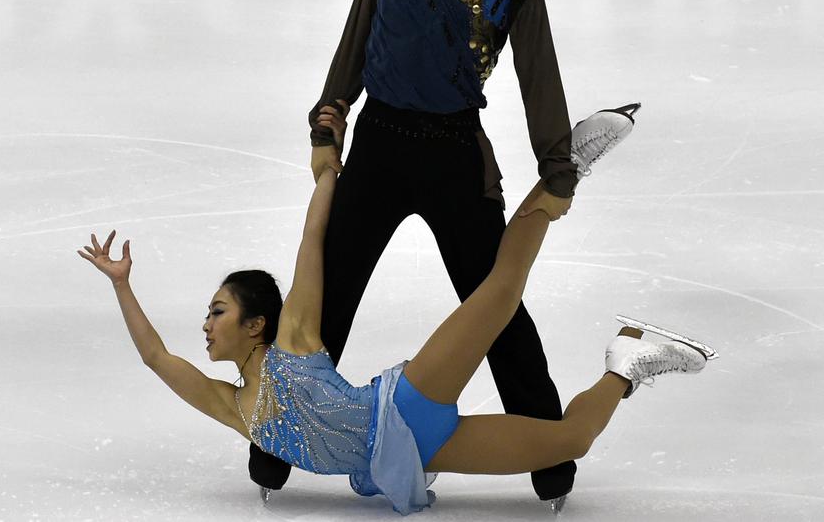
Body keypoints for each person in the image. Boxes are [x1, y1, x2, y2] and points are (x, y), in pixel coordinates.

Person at [76, 107, 713, 514]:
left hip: (404, 405)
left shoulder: (293, 340)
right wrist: (121, 286)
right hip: (412, 459)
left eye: (217, 312)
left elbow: (311, 244)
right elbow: (157, 357)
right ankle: (628, 362)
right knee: (570, 439)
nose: (205, 325)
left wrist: (327, 170)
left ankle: (562, 172)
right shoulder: (233, 408)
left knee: (497, 293)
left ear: (257, 324)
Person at [282, 0, 582, 508]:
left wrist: (557, 174)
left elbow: (540, 82)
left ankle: (549, 458)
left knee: (494, 309)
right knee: (325, 301)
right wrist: (327, 122)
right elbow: (353, 41)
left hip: (454, 158)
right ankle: (274, 449)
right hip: (378, 148)